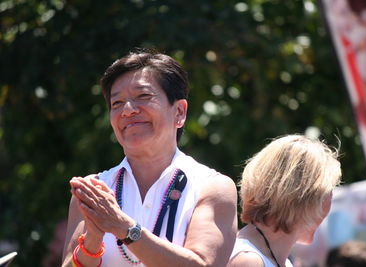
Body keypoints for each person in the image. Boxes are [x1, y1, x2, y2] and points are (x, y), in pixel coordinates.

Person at [61, 50, 237, 267]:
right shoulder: (95, 191)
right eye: (117, 103)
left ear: (179, 112)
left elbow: (203, 264)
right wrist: (92, 241)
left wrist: (123, 227)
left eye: (143, 96)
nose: (128, 110)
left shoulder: (211, 187)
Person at [228, 135, 342, 267]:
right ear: (304, 198)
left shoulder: (272, 258)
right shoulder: (248, 261)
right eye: (327, 193)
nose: (328, 205)